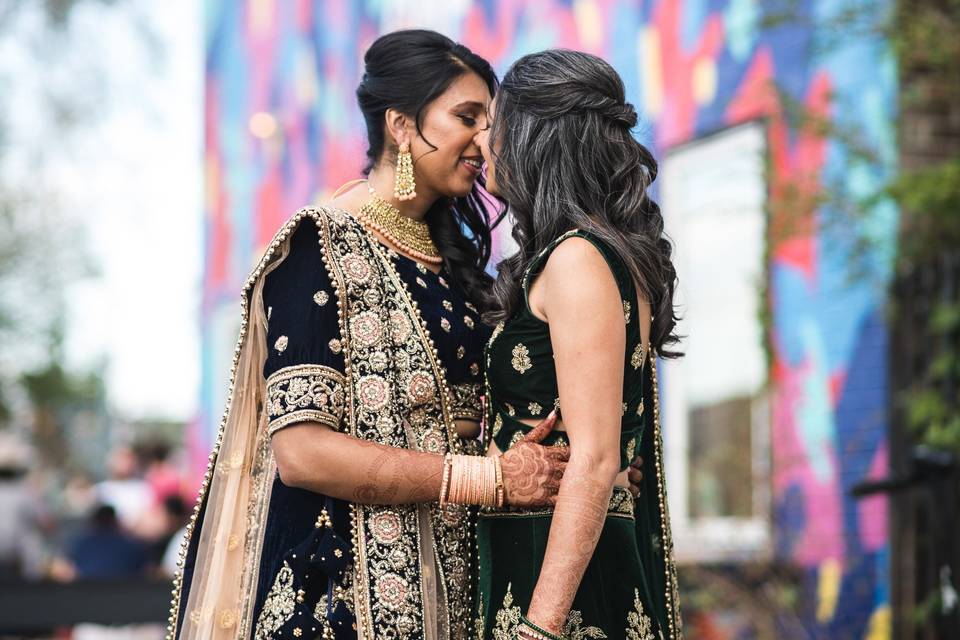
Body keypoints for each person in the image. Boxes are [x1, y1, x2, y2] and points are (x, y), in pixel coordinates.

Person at [169, 31, 573, 640]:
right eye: (467, 117)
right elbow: (301, 452)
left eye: (490, 121)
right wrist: (485, 479)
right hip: (337, 598)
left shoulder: (454, 264)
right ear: (402, 126)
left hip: (454, 589)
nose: (486, 140)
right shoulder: (317, 247)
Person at [473, 49, 683, 640]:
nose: (487, 143)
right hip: (547, 556)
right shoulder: (585, 253)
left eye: (496, 125)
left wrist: (538, 629)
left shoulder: (577, 259)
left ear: (534, 138)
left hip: (564, 586)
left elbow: (594, 459)